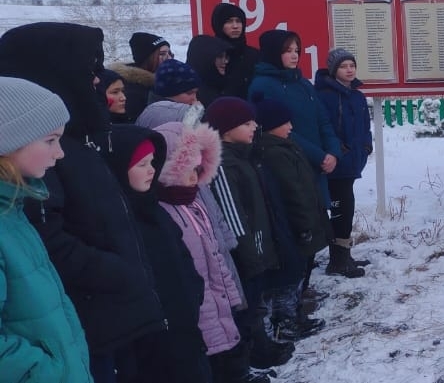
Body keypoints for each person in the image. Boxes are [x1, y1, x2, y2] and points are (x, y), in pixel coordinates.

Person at [0, 23, 166, 383]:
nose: (96, 81)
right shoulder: (32, 181)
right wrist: (47, 369)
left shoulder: (65, 152)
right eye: (88, 70)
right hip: (79, 340)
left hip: (88, 336)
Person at [152, 120, 267, 383]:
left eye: (199, 167)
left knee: (227, 349)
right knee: (212, 358)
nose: (195, 175)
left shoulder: (195, 202)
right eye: (187, 167)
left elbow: (217, 254)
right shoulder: (163, 212)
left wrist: (231, 293)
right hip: (197, 306)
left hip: (219, 299)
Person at [101, 125, 212, 383]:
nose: (152, 170)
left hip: (186, 332)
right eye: (142, 164)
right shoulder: (114, 223)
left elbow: (183, 257)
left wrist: (194, 292)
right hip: (154, 349)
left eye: (153, 162)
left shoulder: (157, 210)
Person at [0, 76, 93, 383]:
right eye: (50, 140)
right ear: (8, 142)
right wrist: (47, 372)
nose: (60, 153)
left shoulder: (11, 210)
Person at [203, 96, 297, 369]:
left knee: (256, 302)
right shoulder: (223, 165)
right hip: (244, 254)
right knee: (247, 305)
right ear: (225, 130)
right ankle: (254, 354)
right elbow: (232, 217)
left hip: (257, 246)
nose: (255, 126)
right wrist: (250, 256)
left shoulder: (245, 156)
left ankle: (262, 345)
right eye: (246, 123)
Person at [254, 98, 332, 336]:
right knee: (291, 275)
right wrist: (304, 224)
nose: (290, 127)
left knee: (301, 270)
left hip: (304, 219)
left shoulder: (286, 146)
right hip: (294, 224)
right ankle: (286, 321)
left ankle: (295, 314)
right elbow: (292, 192)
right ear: (270, 125)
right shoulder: (273, 153)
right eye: (284, 123)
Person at [248, 29, 341, 222]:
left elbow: (323, 121)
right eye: (288, 50)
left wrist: (333, 152)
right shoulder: (262, 85)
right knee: (299, 221)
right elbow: (277, 131)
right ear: (274, 52)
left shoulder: (303, 83)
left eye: (297, 50)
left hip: (317, 167)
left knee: (318, 221)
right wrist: (319, 156)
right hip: (289, 165)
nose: (294, 55)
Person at [315, 48, 373, 275]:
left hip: (353, 162)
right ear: (333, 70)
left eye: (352, 65)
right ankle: (337, 260)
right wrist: (339, 150)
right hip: (336, 162)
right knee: (341, 209)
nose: (349, 70)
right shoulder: (325, 96)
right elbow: (325, 127)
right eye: (343, 66)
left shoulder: (357, 96)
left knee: (347, 208)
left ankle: (344, 255)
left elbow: (365, 126)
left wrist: (366, 147)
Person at [109, 32, 173, 123]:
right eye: (162, 54)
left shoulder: (168, 80)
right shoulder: (132, 90)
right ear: (148, 58)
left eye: (169, 53)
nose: (169, 58)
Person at [212, 3, 260, 100]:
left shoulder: (254, 55)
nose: (235, 26)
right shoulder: (211, 55)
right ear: (219, 25)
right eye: (229, 21)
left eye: (238, 21)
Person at [188, 34, 235, 107]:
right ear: (205, 58)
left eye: (226, 57)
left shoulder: (223, 84)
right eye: (220, 56)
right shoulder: (191, 93)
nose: (225, 61)